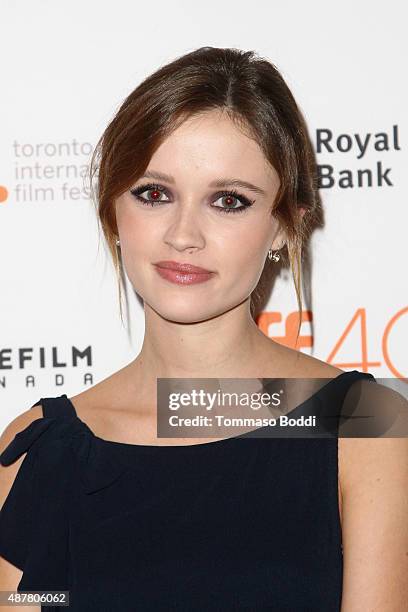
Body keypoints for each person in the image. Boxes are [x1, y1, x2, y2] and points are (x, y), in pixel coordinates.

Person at [0, 46, 407, 611]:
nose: (183, 233)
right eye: (154, 193)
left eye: (229, 200)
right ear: (114, 212)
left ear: (285, 227)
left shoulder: (362, 426)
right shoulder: (39, 451)